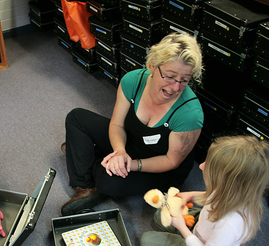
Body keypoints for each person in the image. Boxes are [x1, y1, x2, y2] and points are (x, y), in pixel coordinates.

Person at [62, 33, 204, 216]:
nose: (176, 87)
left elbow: (171, 161)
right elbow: (117, 125)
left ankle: (88, 158)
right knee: (76, 118)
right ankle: (85, 187)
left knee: (108, 181)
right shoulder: (132, 81)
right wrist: (120, 152)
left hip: (161, 167)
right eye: (169, 76)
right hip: (132, 142)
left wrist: (131, 165)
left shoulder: (190, 113)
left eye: (184, 80)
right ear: (153, 65)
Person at [140, 135, 269, 246]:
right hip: (205, 227)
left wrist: (181, 227)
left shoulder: (230, 223)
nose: (201, 166)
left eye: (208, 165)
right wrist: (190, 195)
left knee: (146, 241)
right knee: (159, 216)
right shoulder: (236, 192)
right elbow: (211, 195)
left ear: (225, 180)